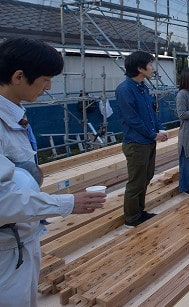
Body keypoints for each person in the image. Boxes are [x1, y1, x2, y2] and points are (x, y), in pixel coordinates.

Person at [0, 38, 106, 306]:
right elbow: (2, 200)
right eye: (46, 79)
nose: (49, 87)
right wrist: (68, 203)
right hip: (6, 250)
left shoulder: (14, 114)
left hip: (22, 238)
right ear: (18, 76)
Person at [115, 51, 168, 228]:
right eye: (150, 64)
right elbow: (132, 119)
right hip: (136, 142)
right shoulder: (125, 89)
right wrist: (153, 134)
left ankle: (140, 211)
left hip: (147, 141)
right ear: (140, 68)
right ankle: (131, 218)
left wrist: (160, 128)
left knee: (146, 177)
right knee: (136, 181)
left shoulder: (143, 87)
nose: (152, 68)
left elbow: (151, 113)